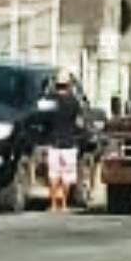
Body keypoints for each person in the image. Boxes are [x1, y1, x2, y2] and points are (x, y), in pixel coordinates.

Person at [48, 70, 83, 212]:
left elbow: (44, 119)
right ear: (68, 85)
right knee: (67, 175)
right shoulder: (74, 102)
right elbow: (79, 122)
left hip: (54, 141)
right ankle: (63, 204)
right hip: (69, 142)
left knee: (53, 174)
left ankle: (52, 204)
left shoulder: (50, 101)